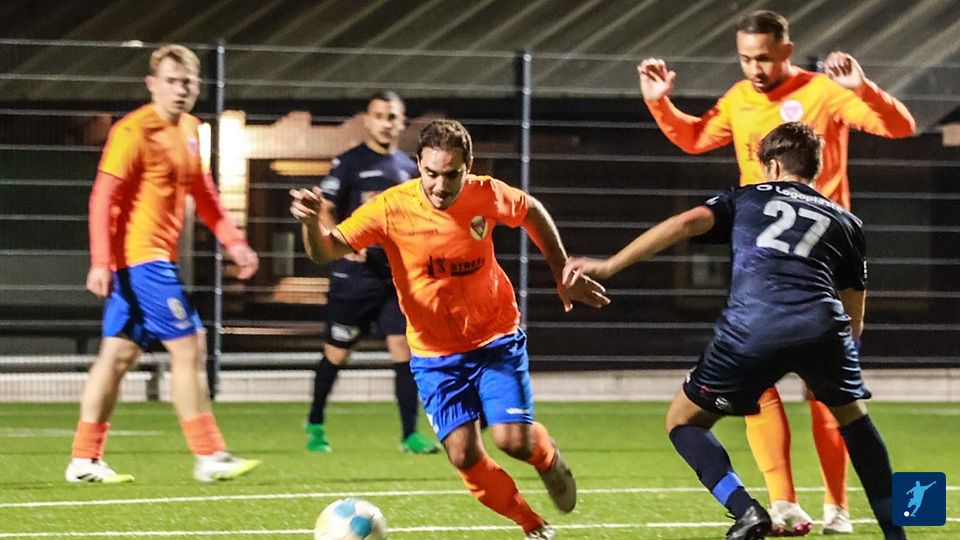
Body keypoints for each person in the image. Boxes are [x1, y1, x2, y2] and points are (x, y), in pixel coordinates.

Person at [637, 9, 915, 534]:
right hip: (761, 258)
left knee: (825, 396)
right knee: (760, 386)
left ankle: (837, 506)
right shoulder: (739, 99)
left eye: (763, 58)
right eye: (745, 58)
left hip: (824, 257)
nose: (755, 68)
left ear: (786, 50)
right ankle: (784, 503)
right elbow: (694, 138)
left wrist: (864, 89)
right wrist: (660, 104)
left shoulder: (823, 92)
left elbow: (900, 126)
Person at [564, 122, 906, 540]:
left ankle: (746, 510)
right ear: (815, 167)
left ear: (773, 166)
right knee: (856, 424)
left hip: (754, 327)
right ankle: (898, 534)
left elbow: (686, 223)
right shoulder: (846, 221)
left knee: (683, 421)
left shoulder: (747, 196)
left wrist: (608, 266)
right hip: (823, 326)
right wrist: (840, 358)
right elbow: (854, 306)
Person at [291, 119, 609, 540]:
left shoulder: (485, 193)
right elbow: (326, 250)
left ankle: (548, 459)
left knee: (513, 441)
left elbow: (530, 210)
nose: (440, 186)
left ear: (468, 166)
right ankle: (532, 525)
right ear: (418, 164)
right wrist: (310, 223)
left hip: (494, 337)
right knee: (462, 455)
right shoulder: (390, 207)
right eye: (431, 173)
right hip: (435, 354)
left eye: (451, 174)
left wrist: (560, 270)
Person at [66, 44, 261, 484]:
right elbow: (102, 198)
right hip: (143, 261)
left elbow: (204, 193)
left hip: (149, 263)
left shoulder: (191, 129)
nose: (180, 90)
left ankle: (84, 459)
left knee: (116, 356)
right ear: (152, 84)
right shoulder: (132, 131)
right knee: (190, 346)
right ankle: (209, 454)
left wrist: (234, 242)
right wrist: (100, 261)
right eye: (171, 81)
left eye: (188, 82)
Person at [304, 91, 440, 455]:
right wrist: (342, 240)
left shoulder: (408, 169)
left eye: (392, 117)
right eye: (379, 116)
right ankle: (315, 424)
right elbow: (325, 207)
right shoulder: (350, 162)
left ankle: (410, 434)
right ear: (367, 120)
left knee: (404, 352)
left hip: (394, 278)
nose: (386, 123)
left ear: (402, 122)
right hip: (355, 280)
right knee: (336, 353)